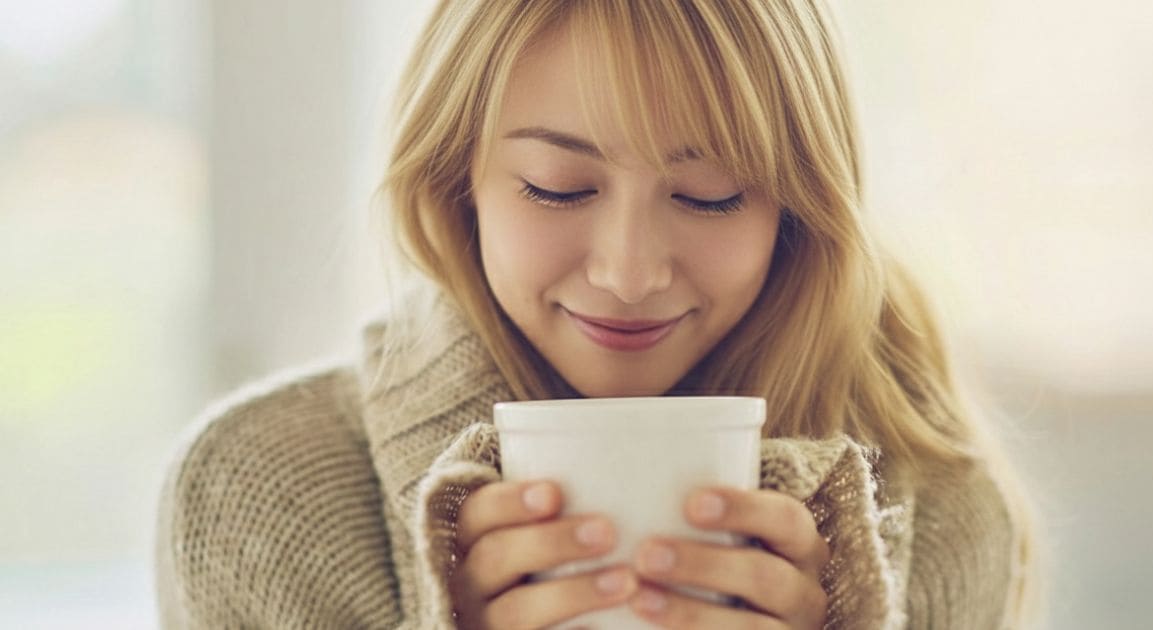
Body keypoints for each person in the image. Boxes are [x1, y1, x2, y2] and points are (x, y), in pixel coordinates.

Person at [155, 1, 1042, 628]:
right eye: (557, 187)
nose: (628, 272)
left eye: (709, 195)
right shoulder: (254, 492)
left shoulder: (939, 508)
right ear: (455, 180)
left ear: (798, 212)